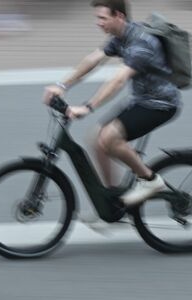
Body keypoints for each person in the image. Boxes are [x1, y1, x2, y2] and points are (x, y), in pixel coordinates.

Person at [43, 0, 180, 207]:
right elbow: (93, 59)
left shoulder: (141, 43)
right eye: (97, 18)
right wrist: (62, 85)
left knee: (109, 137)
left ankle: (150, 180)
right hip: (141, 100)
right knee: (95, 138)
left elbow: (118, 80)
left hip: (160, 104)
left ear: (119, 17)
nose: (98, 23)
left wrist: (88, 107)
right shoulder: (120, 36)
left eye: (102, 18)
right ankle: (111, 200)